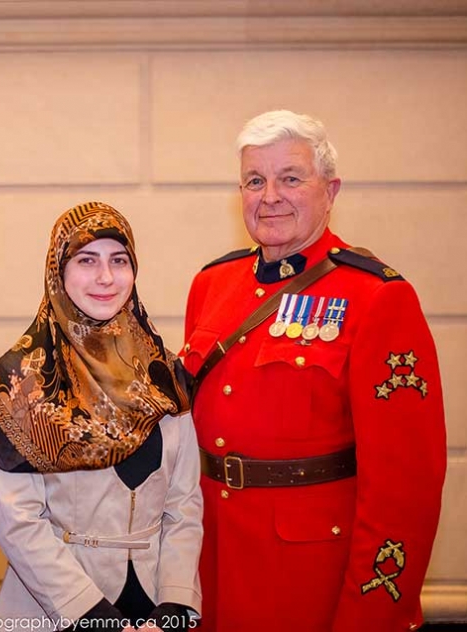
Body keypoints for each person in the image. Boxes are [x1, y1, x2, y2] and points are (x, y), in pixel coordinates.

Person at [181, 110, 446, 631]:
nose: (270, 195)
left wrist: (371, 615)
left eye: (290, 178)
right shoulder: (212, 284)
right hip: (209, 563)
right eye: (255, 180)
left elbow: (405, 490)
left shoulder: (377, 297)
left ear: (331, 190)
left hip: (308, 579)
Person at [0, 201, 203, 632]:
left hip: (154, 611)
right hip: (58, 611)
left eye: (119, 261)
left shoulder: (164, 374)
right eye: (86, 260)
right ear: (58, 272)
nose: (105, 277)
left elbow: (184, 503)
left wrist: (174, 603)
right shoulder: (23, 379)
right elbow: (18, 521)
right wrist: (92, 616)